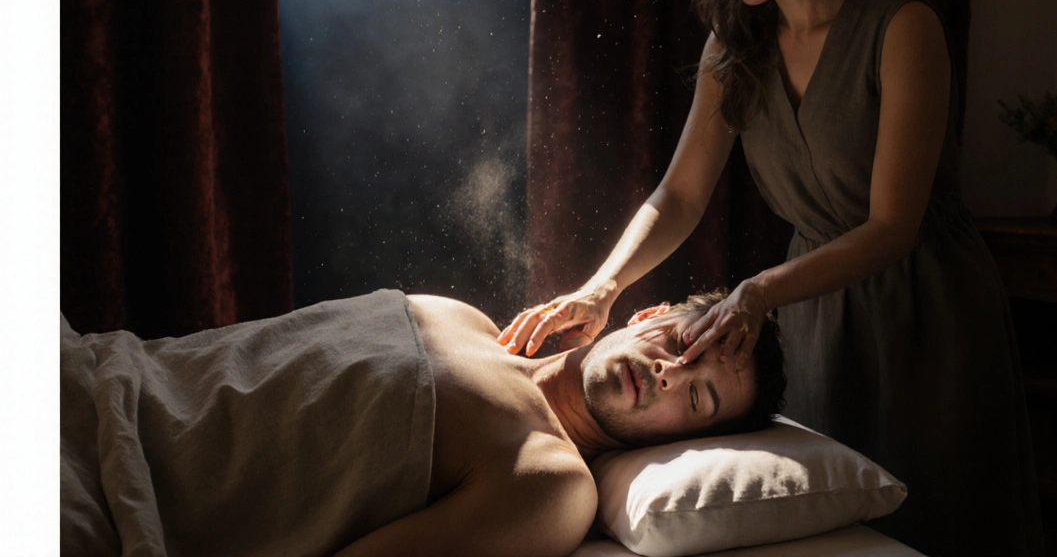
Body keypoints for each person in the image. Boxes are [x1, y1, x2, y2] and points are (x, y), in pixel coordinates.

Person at [500, 0, 1045, 554]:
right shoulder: (734, 44)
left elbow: (892, 225)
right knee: (824, 511)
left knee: (938, 512)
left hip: (921, 302)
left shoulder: (900, 26)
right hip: (808, 310)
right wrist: (601, 290)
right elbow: (680, 194)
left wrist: (758, 291)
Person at [61, 288, 786, 557]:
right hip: (92, 374)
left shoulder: (551, 483)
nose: (667, 375)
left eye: (694, 399)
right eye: (681, 349)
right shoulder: (455, 315)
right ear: (649, 315)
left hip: (110, 499)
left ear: (680, 441)